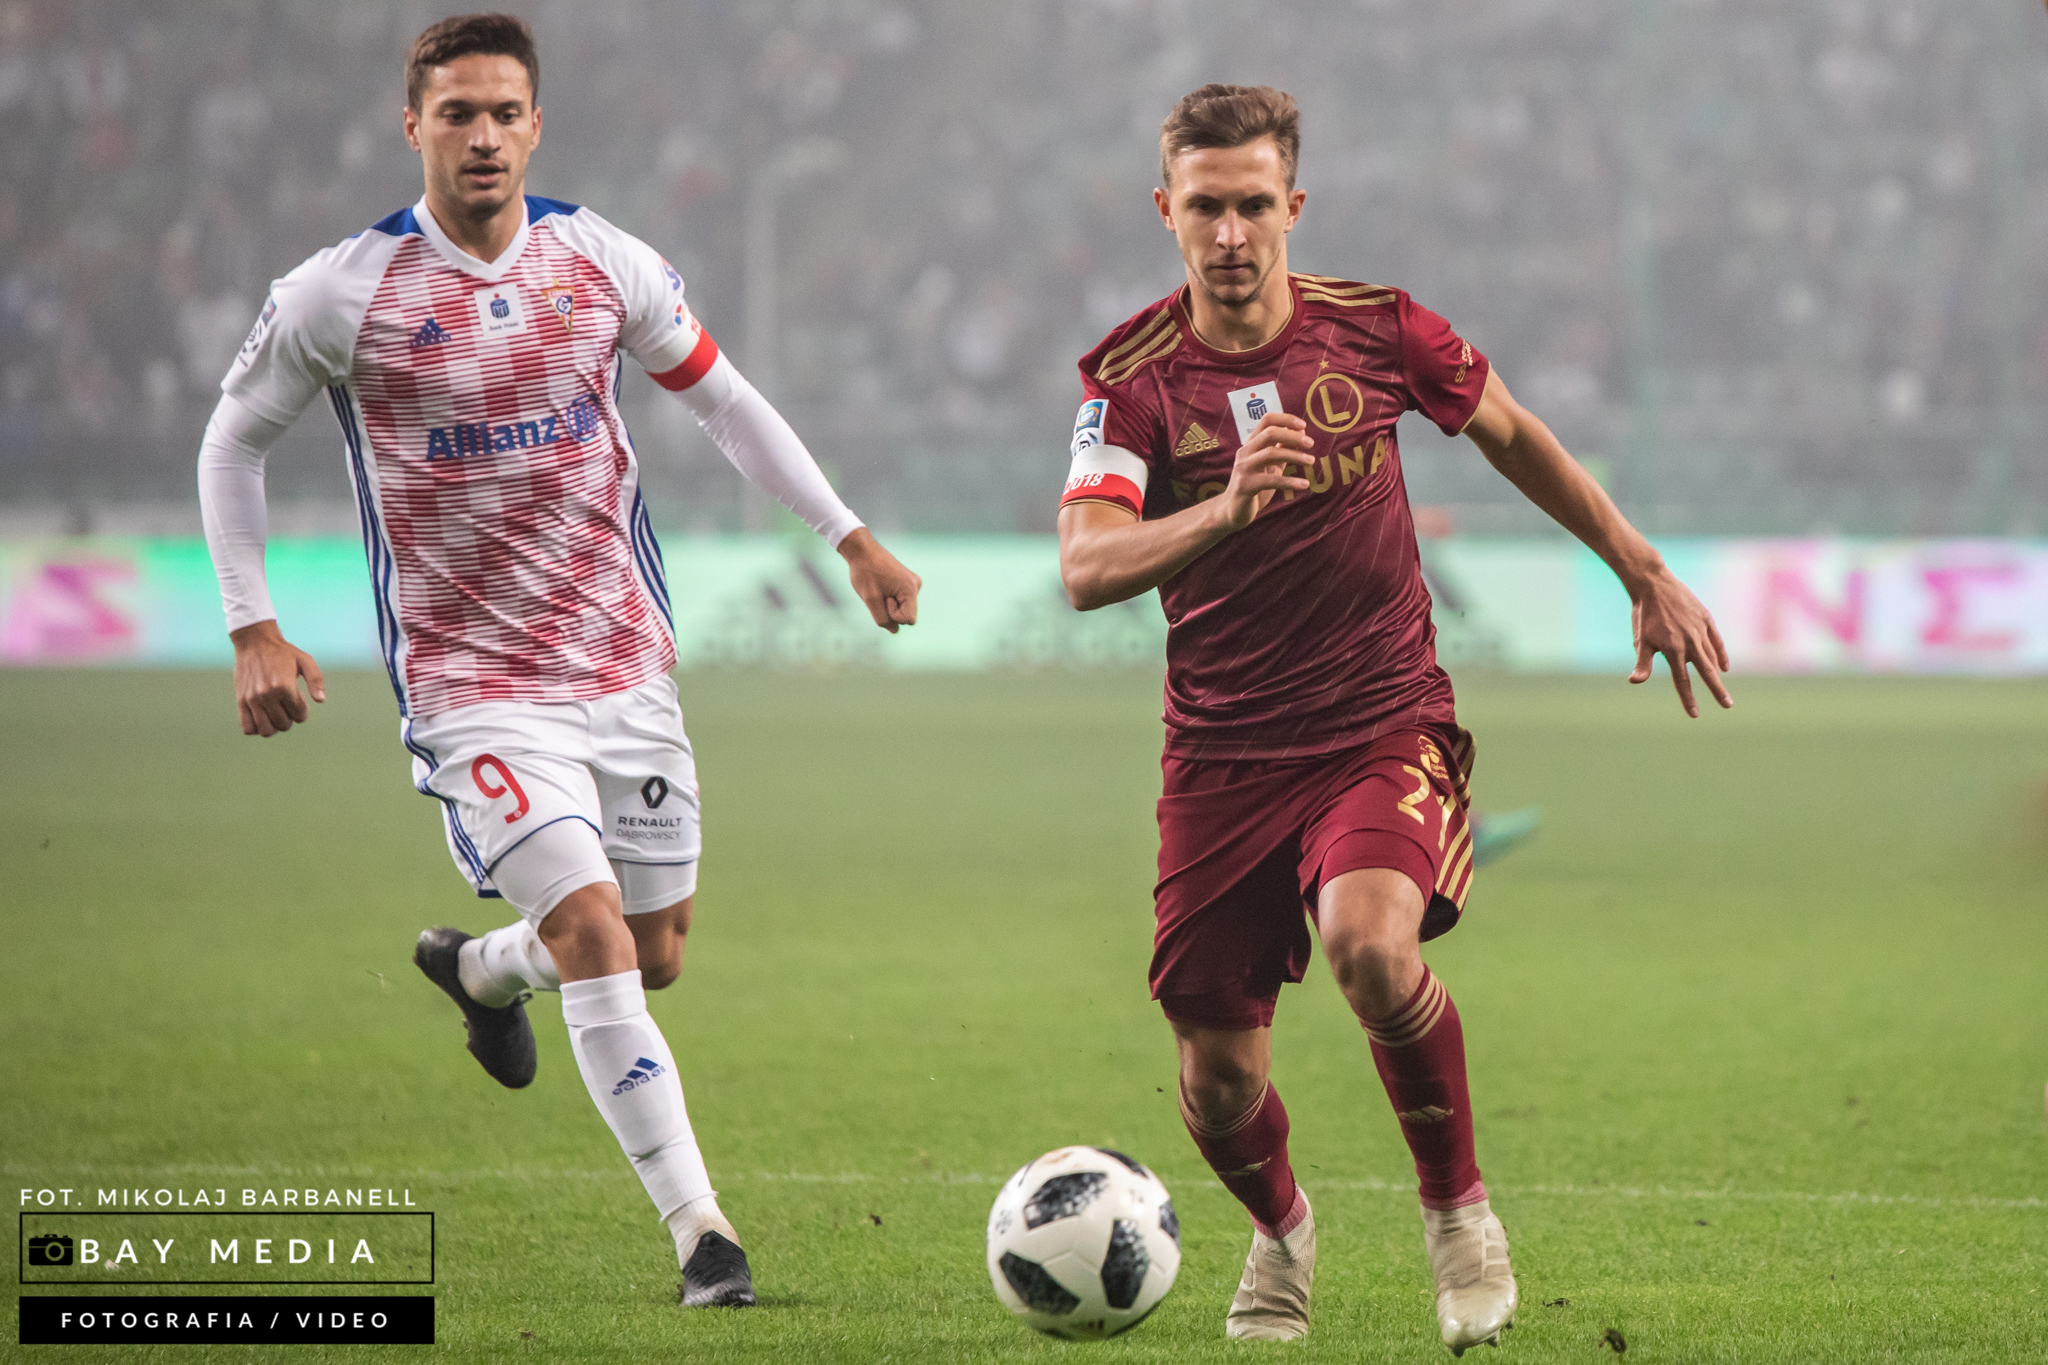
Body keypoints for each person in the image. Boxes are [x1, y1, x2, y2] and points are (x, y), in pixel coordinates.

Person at [196, 13, 920, 1310]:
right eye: (456, 113)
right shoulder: (339, 293)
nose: (481, 136)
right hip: (473, 687)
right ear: (412, 125)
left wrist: (847, 535)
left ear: (536, 126)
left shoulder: (602, 260)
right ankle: (702, 1235)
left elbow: (724, 400)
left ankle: (482, 969)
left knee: (653, 949)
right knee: (591, 931)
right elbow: (232, 440)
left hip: (622, 661)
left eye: (503, 113)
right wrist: (254, 623)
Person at [1056, 84, 1729, 1351]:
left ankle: (1457, 1217)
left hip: (1380, 717)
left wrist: (1637, 567)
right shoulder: (1130, 379)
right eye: (1204, 208)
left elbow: (1511, 433)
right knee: (1215, 1078)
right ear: (1164, 211)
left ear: (1293, 206)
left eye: (1254, 205)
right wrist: (1224, 511)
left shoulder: (1377, 331)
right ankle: (1280, 1231)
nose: (1230, 235)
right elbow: (1084, 567)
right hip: (1220, 751)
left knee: (1369, 947)